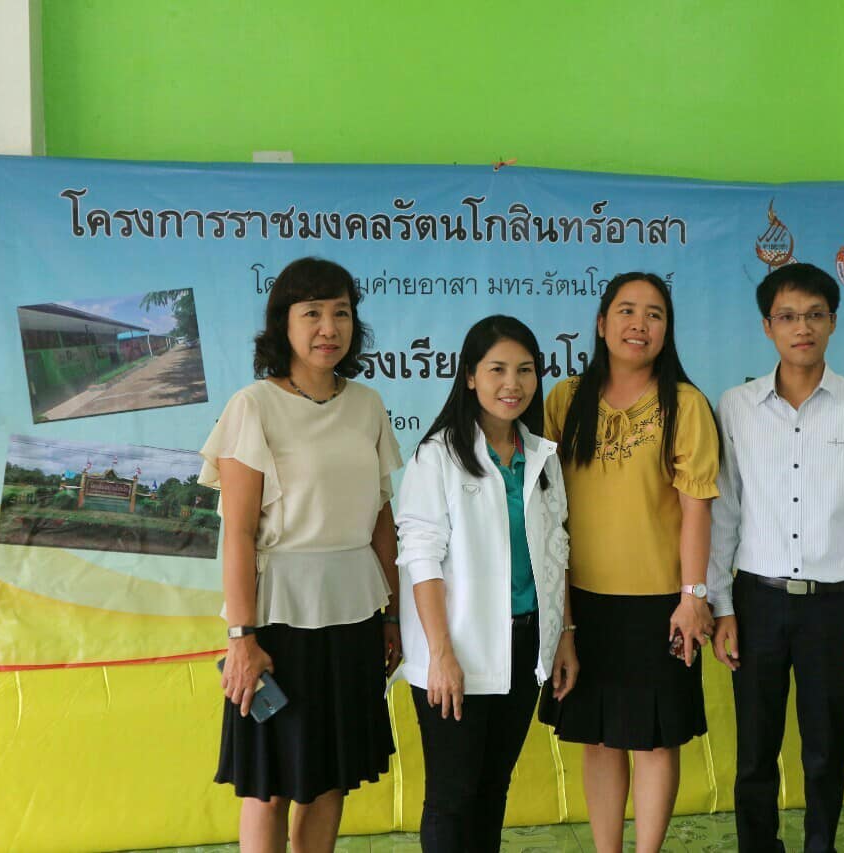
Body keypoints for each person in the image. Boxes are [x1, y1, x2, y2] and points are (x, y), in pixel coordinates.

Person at [201, 257, 402, 852]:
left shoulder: (367, 404)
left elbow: (382, 518)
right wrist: (242, 637)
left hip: (355, 614)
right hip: (277, 623)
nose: (328, 328)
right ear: (282, 324)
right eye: (312, 313)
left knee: (330, 777)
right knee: (270, 784)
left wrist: (392, 616)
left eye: (341, 313)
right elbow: (238, 533)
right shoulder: (253, 405)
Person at [706, 262, 844, 853]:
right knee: (754, 753)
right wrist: (721, 607)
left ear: (833, 322)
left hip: (835, 607)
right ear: (767, 326)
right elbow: (724, 512)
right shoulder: (736, 407)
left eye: (815, 315)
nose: (802, 328)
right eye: (788, 316)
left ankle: (821, 845)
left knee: (825, 751)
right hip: (756, 602)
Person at [538, 272, 720, 853]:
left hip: (661, 603)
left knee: (655, 740)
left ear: (667, 330)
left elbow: (696, 509)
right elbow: (547, 508)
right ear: (601, 324)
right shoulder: (565, 400)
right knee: (600, 738)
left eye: (654, 314)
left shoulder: (684, 404)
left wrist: (693, 596)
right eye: (626, 310)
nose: (639, 324)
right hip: (582, 603)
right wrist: (561, 615)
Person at [393, 315, 577, 852]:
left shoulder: (542, 457)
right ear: (470, 376)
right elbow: (421, 559)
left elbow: (557, 551)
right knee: (452, 796)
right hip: (458, 651)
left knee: (493, 787)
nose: (512, 383)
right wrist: (440, 654)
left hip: (525, 644)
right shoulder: (438, 456)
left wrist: (565, 635)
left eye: (525, 370)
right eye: (497, 369)